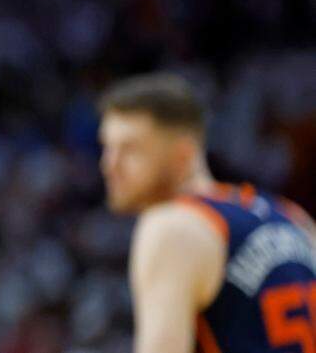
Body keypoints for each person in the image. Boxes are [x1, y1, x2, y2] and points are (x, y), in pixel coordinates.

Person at [98, 72, 316, 353]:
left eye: (130, 149)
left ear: (183, 153)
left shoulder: (171, 226)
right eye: (107, 147)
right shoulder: (291, 215)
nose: (109, 164)